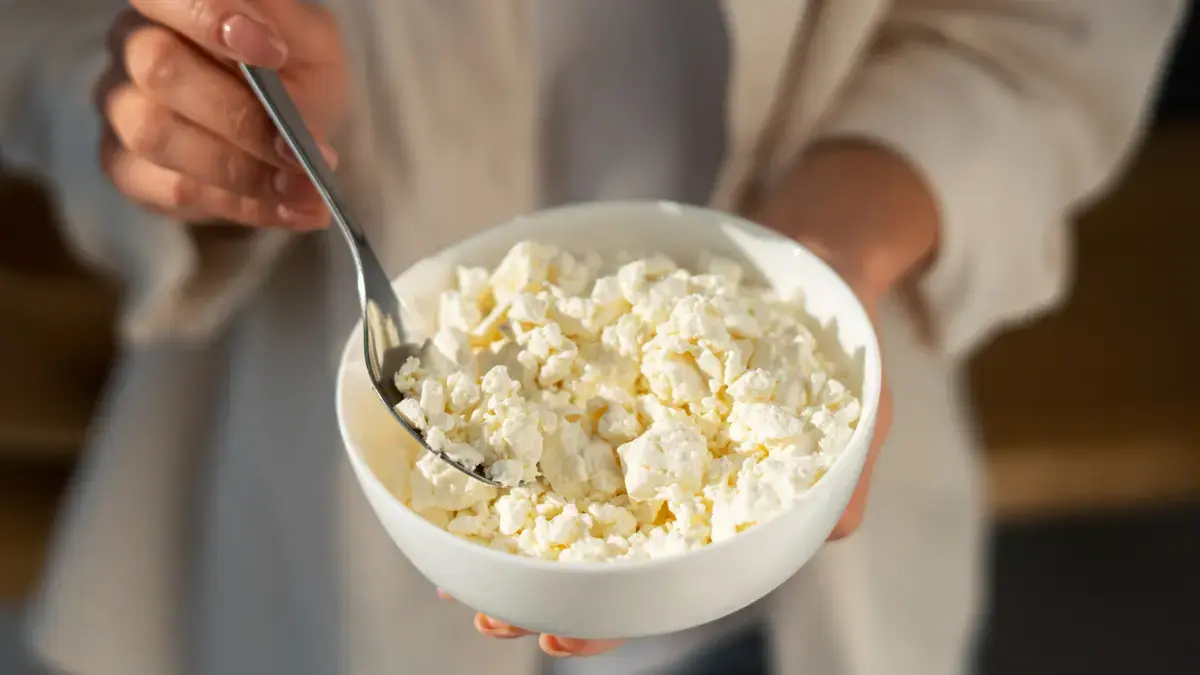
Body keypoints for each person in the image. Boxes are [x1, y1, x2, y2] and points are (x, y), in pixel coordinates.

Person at [0, 1, 1184, 673]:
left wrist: (835, 243)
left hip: (794, 591)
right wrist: (177, 119)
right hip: (301, 525)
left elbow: (1049, 33)